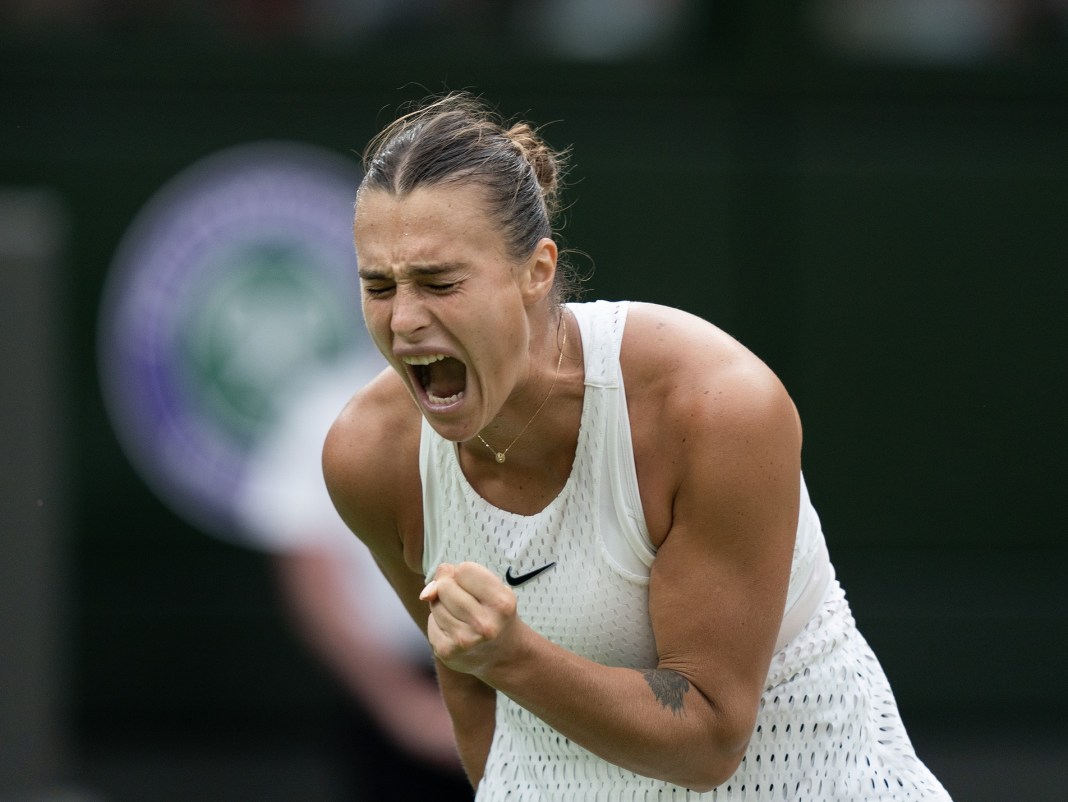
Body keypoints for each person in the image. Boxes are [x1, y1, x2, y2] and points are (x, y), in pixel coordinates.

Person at [322, 92, 952, 800]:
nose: (403, 320)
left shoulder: (714, 407)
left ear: (536, 271)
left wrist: (512, 654)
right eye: (379, 287)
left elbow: (710, 738)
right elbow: (473, 700)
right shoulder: (369, 456)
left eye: (440, 282)